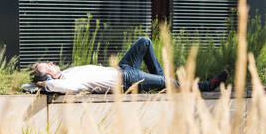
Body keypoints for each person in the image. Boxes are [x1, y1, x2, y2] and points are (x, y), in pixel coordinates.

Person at [30, 37, 228, 94]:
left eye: (48, 63)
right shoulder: (66, 82)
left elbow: (26, 85)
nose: (50, 64)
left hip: (122, 68)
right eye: (47, 68)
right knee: (167, 81)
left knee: (144, 41)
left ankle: (162, 85)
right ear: (49, 78)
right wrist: (45, 82)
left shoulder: (67, 72)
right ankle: (206, 86)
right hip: (126, 80)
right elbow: (58, 87)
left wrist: (43, 77)